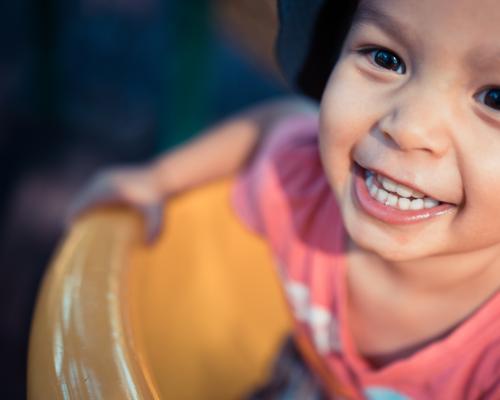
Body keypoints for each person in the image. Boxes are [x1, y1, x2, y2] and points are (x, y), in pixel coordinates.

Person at [69, 0, 500, 398]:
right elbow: (278, 127)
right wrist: (157, 179)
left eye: (494, 99)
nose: (408, 128)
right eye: (385, 58)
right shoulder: (304, 189)